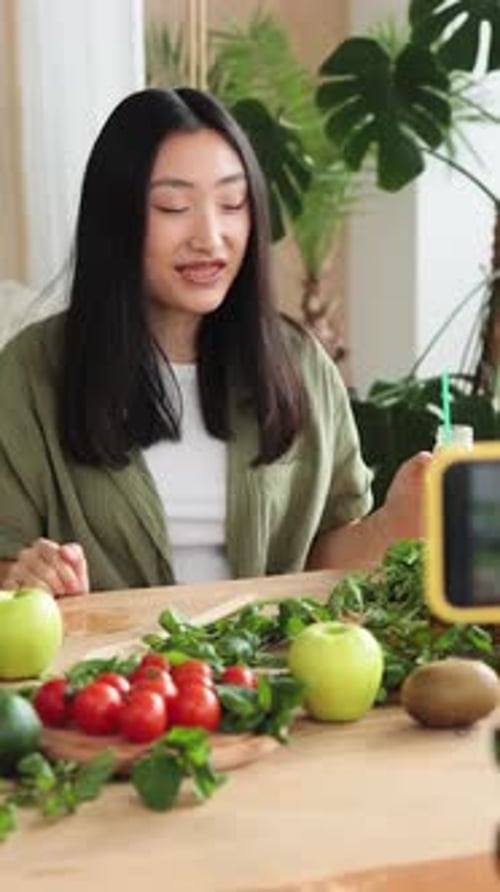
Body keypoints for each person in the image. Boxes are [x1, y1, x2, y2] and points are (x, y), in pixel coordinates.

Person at [0, 87, 431, 597]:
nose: (210, 236)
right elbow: (8, 565)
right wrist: (31, 577)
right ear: (116, 219)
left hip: (272, 671)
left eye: (232, 203)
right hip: (111, 674)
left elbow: (320, 560)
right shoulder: (32, 371)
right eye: (173, 206)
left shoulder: (300, 365)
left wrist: (391, 526)